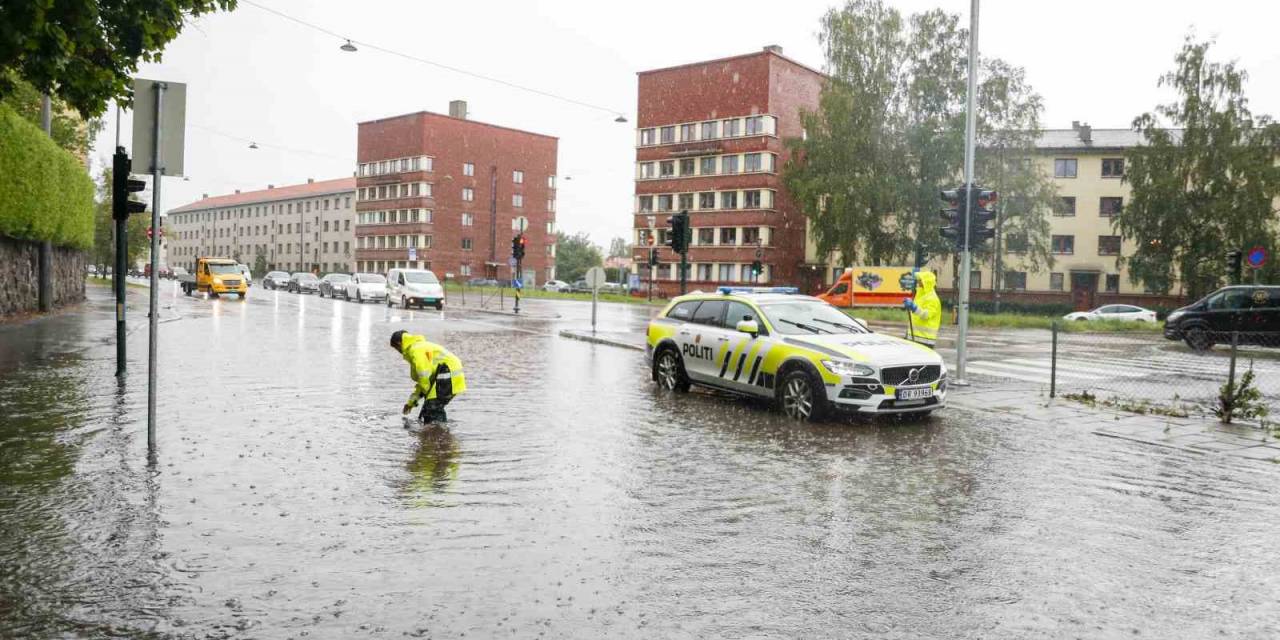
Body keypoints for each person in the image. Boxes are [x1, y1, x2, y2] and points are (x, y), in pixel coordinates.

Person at [390, 330, 467, 424]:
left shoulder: (415, 350)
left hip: (447, 373)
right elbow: (424, 381)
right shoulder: (418, 347)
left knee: (431, 408)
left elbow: (424, 378)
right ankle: (440, 433)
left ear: (399, 343)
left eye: (396, 348)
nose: (399, 352)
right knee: (431, 408)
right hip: (446, 375)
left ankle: (437, 433)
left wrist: (425, 395)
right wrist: (411, 403)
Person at [902, 270, 941, 348]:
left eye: (920, 280)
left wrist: (913, 307)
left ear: (926, 283)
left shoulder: (932, 299)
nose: (918, 283)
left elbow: (925, 315)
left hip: (925, 340)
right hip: (914, 337)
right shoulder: (921, 295)